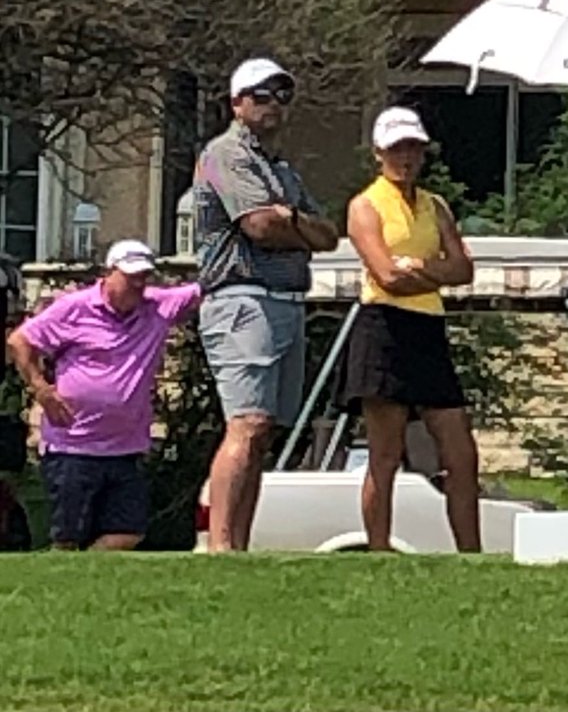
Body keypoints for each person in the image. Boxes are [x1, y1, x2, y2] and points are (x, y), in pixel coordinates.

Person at [193, 57, 339, 552]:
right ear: (236, 102)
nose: (273, 103)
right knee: (247, 423)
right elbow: (258, 226)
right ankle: (220, 547)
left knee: (265, 432)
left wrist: (290, 218)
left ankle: (240, 545)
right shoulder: (224, 154)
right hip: (242, 299)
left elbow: (328, 235)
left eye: (282, 95)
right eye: (261, 94)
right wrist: (293, 225)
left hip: (286, 301)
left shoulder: (281, 170)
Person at [337, 106, 479, 552]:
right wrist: (431, 273)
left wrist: (422, 267)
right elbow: (385, 275)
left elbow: (463, 269)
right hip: (383, 326)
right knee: (385, 452)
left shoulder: (435, 206)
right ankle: (379, 549)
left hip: (427, 326)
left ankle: (471, 553)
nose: (406, 157)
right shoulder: (365, 205)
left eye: (413, 148)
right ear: (379, 152)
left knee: (460, 452)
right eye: (398, 148)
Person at [5, 240, 202, 550]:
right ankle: (65, 584)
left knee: (129, 533)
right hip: (73, 446)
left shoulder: (157, 307)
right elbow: (21, 341)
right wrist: (41, 389)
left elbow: (205, 290)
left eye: (144, 276)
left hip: (126, 449)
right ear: (110, 274)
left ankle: (87, 575)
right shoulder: (75, 308)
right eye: (131, 276)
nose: (139, 284)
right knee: (67, 538)